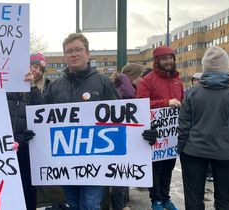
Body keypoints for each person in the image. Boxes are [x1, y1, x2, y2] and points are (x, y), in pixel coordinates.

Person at [44, 33, 157, 210]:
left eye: (78, 50)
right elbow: (43, 121)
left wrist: (143, 133)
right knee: (73, 205)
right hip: (65, 162)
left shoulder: (102, 83)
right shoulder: (55, 86)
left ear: (87, 53)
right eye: (69, 51)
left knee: (90, 205)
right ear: (65, 56)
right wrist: (33, 135)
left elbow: (122, 119)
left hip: (95, 162)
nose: (73, 54)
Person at [178, 46, 229, 210]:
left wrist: (181, 148)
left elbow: (184, 124)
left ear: (205, 67)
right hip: (227, 154)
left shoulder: (192, 92)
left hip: (193, 152)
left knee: (193, 200)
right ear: (225, 66)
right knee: (226, 201)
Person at [136, 46, 183, 210]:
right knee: (155, 167)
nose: (169, 61)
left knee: (169, 166)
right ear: (157, 61)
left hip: (171, 134)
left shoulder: (178, 80)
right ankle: (155, 200)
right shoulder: (147, 80)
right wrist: (165, 103)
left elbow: (181, 102)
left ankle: (165, 198)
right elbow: (140, 105)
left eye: (171, 58)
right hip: (153, 133)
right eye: (164, 58)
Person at [6, 54, 45, 210]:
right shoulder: (5, 87)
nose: (37, 71)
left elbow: (41, 113)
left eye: (41, 69)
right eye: (34, 66)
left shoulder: (38, 92)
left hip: (26, 150)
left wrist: (32, 88)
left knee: (28, 189)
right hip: (4, 148)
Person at [111, 63, 143, 210]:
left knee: (121, 173)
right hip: (122, 136)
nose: (142, 79)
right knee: (121, 174)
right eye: (140, 76)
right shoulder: (127, 91)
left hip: (117, 136)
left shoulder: (120, 87)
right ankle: (120, 206)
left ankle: (121, 204)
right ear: (132, 76)